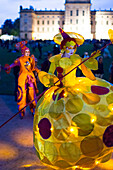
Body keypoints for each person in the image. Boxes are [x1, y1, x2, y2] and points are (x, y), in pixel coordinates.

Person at [5, 41, 39, 119]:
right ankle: (22, 110)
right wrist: (9, 67)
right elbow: (13, 64)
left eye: (28, 51)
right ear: (23, 52)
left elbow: (33, 68)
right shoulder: (19, 59)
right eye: (26, 51)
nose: (28, 53)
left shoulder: (31, 59)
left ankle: (33, 108)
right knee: (21, 93)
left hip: (30, 77)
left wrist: (38, 70)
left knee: (32, 93)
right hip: (22, 77)